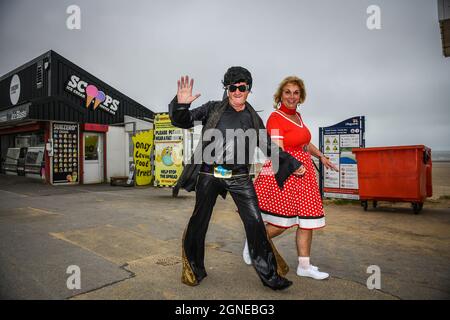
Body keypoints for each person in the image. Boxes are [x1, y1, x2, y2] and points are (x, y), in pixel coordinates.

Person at [169, 67, 306, 290]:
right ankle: (194, 269)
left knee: (255, 223)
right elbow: (183, 120)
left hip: (240, 177)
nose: (237, 91)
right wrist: (182, 105)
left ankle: (270, 275)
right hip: (209, 173)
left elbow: (268, 145)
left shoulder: (252, 117)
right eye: (232, 87)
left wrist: (292, 164)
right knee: (198, 222)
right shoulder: (213, 108)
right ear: (227, 89)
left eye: (242, 87)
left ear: (248, 90)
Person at [242, 76, 339, 280]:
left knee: (307, 220)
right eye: (288, 92)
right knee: (280, 223)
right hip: (285, 172)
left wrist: (320, 155)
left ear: (300, 96)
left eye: (296, 92)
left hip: (305, 173)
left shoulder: (299, 117)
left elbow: (304, 143)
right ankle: (254, 242)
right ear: (281, 95)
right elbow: (278, 150)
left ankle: (304, 266)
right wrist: (294, 167)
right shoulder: (275, 117)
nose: (292, 96)